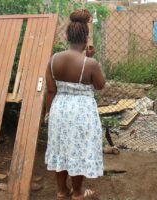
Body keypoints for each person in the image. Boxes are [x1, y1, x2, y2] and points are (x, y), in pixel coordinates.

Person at [44, 9, 106, 200]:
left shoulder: (54, 59)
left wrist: (48, 113)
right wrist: (90, 59)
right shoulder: (91, 63)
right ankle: (78, 192)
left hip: (59, 109)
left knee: (60, 148)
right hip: (81, 112)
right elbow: (100, 85)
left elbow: (50, 90)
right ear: (86, 36)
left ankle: (61, 191)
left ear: (68, 36)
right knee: (78, 150)